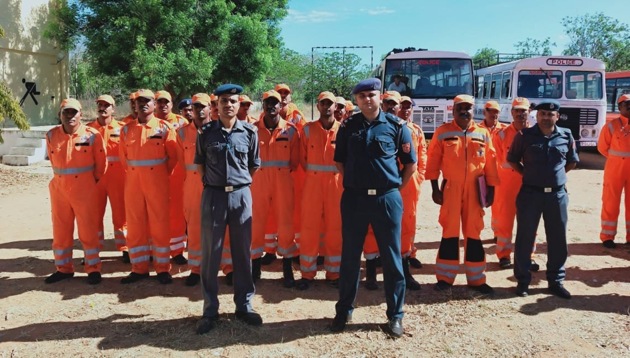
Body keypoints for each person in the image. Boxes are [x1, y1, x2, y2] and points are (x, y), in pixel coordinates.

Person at [331, 78, 417, 338]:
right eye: (361, 96)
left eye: (371, 95)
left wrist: (392, 190)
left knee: (392, 259)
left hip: (386, 199)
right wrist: (358, 185)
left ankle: (395, 315)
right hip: (355, 199)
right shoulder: (348, 126)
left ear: (379, 96)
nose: (367, 100)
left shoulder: (397, 126)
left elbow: (409, 165)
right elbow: (340, 162)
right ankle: (344, 310)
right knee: (349, 258)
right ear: (356, 100)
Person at [195, 84, 262, 334]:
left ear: (239, 104)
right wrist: (213, 184)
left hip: (241, 196)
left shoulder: (250, 132)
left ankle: (244, 306)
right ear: (217, 105)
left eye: (233, 101)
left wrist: (238, 184)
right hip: (213, 196)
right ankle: (210, 310)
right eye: (224, 101)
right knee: (211, 255)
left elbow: (254, 165)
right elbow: (200, 164)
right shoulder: (205, 132)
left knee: (242, 253)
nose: (228, 105)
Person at [426, 94, 499, 295]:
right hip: (451, 188)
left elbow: (491, 163)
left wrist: (491, 189)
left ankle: (476, 279)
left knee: (474, 232)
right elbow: (432, 161)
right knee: (449, 231)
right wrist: (434, 187)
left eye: (468, 107)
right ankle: (445, 277)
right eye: (460, 107)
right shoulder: (443, 132)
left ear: (473, 110)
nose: (464, 111)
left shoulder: (483, 133)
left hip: (476, 189)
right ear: (453, 110)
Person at [507, 99, 579, 299]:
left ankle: (555, 281)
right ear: (536, 116)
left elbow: (572, 161)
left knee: (558, 238)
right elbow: (512, 159)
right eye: (542, 114)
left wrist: (557, 177)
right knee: (524, 238)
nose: (546, 118)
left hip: (557, 195)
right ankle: (522, 281)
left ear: (557, 116)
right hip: (530, 194)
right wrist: (528, 175)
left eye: (550, 114)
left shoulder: (566, 135)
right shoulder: (524, 136)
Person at [119, 89, 179, 284]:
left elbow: (173, 156)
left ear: (154, 104)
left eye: (148, 101)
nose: (143, 104)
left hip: (157, 182)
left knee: (160, 224)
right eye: (139, 102)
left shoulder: (164, 128)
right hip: (133, 183)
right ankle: (139, 268)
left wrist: (159, 175)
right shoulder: (126, 130)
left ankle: (163, 268)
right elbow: (123, 159)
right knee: (135, 225)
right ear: (134, 105)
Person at [45, 98, 106, 285]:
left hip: (85, 189)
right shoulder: (51, 135)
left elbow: (102, 165)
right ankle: (63, 268)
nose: (70, 116)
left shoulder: (92, 135)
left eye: (74, 112)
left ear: (81, 114)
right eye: (66, 112)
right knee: (61, 230)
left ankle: (93, 268)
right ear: (60, 115)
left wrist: (89, 182)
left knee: (88, 230)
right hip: (59, 190)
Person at [250, 89, 300, 288]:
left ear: (281, 106)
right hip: (258, 183)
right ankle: (255, 267)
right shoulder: (251, 130)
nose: (271, 106)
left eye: (275, 103)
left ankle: (287, 268)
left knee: (286, 224)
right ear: (263, 105)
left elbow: (295, 162)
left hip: (282, 182)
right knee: (255, 223)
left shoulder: (290, 130)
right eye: (267, 103)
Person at [297, 91, 343, 290]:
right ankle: (307, 273)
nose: (326, 107)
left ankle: (334, 273)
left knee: (335, 228)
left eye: (330, 104)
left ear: (335, 107)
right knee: (309, 228)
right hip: (313, 186)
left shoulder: (343, 130)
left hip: (335, 186)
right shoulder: (307, 130)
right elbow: (302, 159)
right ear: (318, 106)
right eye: (323, 104)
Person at [492, 97, 539, 270]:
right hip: (506, 185)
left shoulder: (536, 133)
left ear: (528, 112)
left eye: (523, 111)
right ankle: (504, 255)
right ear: (511, 113)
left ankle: (529, 256)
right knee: (505, 221)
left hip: (530, 184)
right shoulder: (501, 135)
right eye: (517, 111)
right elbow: (495, 159)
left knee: (530, 221)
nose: (520, 114)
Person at [88, 94, 129, 263]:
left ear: (114, 109)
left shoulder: (123, 128)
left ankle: (126, 248)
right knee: (93, 216)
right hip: (96, 179)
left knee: (122, 215)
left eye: (107, 105)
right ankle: (92, 250)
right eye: (100, 105)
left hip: (117, 178)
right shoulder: (88, 129)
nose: (103, 108)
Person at [176, 93, 212, 286]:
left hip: (215, 186)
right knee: (195, 228)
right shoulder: (181, 133)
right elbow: (181, 163)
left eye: (202, 106)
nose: (198, 110)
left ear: (209, 108)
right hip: (192, 185)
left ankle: (228, 267)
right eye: (195, 107)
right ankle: (196, 269)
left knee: (223, 228)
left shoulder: (219, 129)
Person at [155, 90, 189, 265]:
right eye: (159, 102)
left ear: (171, 104)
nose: (163, 105)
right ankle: (156, 249)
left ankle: (177, 251)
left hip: (177, 174)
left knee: (176, 214)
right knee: (156, 214)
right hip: (155, 177)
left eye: (166, 102)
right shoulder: (151, 123)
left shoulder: (181, 122)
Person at [397, 96, 427, 289]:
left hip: (410, 183)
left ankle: (408, 255)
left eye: (409, 107)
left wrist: (420, 175)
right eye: (403, 107)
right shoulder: (389, 127)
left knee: (409, 220)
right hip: (392, 182)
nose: (406, 110)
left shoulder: (416, 130)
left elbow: (422, 155)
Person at [598, 94, 630, 248]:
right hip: (615, 169)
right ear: (619, 107)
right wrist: (617, 159)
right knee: (610, 201)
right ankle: (607, 236)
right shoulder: (611, 126)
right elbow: (602, 148)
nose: (629, 106)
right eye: (626, 104)